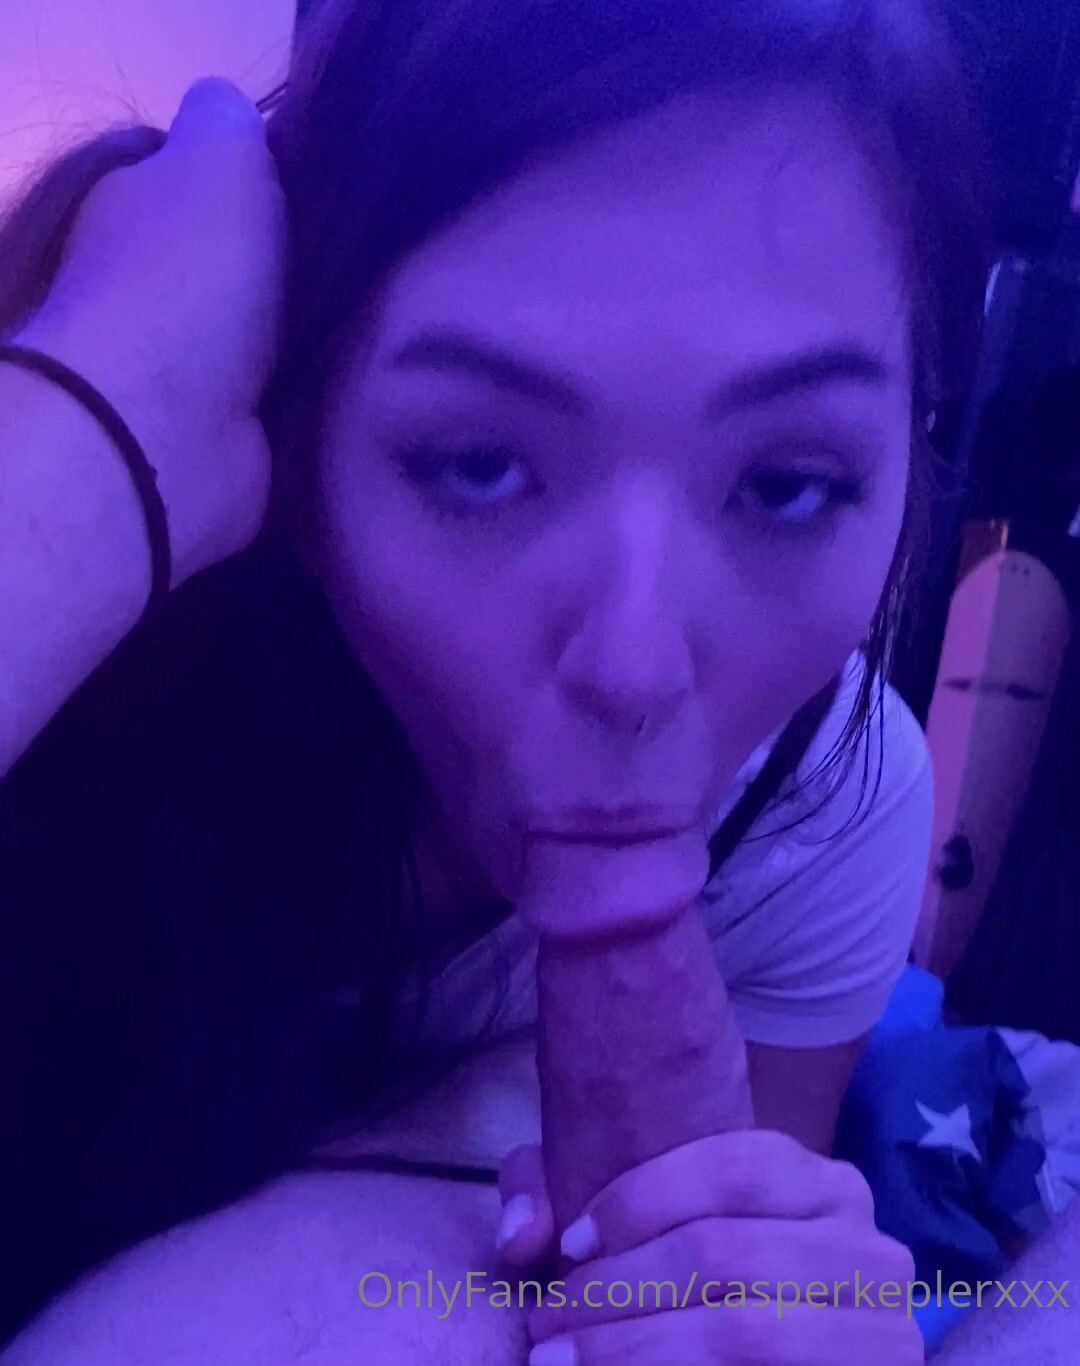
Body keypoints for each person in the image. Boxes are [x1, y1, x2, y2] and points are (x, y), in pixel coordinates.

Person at [0, 0, 989, 1359]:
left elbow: (693, 1285)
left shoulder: (825, 815)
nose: (636, 668)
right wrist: (100, 425)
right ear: (294, 421)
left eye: (786, 484)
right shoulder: (113, 660)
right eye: (478, 464)